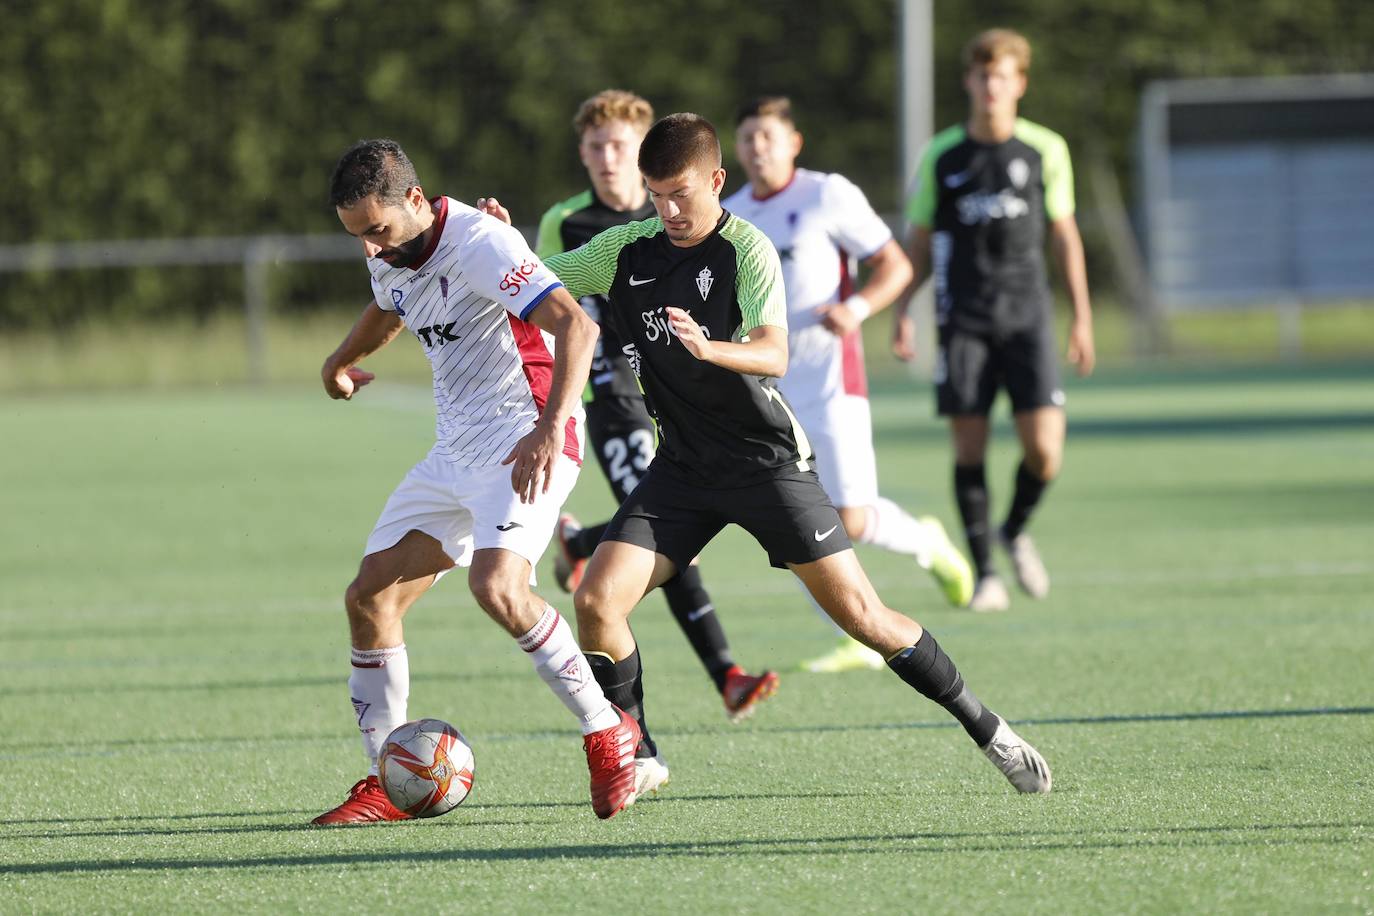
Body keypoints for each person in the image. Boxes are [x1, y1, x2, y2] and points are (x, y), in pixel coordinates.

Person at [488, 113, 1053, 801]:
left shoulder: (744, 249)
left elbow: (774, 353)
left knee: (867, 620)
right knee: (597, 600)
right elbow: (530, 284)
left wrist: (709, 348)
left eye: (682, 193)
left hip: (766, 465)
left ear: (717, 182)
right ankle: (636, 752)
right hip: (683, 471)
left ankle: (989, 729)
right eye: (655, 193)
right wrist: (499, 244)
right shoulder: (623, 251)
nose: (667, 209)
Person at [311, 139, 640, 825]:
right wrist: (340, 359)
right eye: (358, 236)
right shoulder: (392, 253)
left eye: (378, 230)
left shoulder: (482, 241)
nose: (372, 247)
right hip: (454, 450)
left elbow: (575, 326)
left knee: (496, 587)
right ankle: (385, 777)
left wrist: (551, 426)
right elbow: (389, 309)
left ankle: (607, 729)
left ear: (413, 200)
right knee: (369, 598)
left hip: (526, 436)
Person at [536, 89, 778, 732]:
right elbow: (539, 292)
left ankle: (581, 540)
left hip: (676, 394)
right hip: (612, 393)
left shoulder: (690, 229)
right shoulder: (571, 222)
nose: (607, 158)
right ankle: (723, 673)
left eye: (618, 145)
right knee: (672, 541)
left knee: (654, 530)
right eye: (595, 147)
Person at [725, 96, 975, 674]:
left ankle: (928, 542)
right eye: (747, 138)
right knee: (789, 518)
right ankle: (854, 634)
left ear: (794, 142)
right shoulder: (731, 214)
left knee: (853, 519)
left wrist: (858, 306)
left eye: (768, 135)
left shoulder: (825, 194)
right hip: (768, 389)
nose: (757, 147)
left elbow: (897, 264)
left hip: (834, 376)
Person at [893, 28, 1095, 612]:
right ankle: (985, 572)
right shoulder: (944, 155)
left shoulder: (1044, 150)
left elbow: (1065, 236)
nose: (991, 86)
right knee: (969, 447)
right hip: (964, 321)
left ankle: (1013, 528)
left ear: (1020, 84)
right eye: (983, 76)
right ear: (969, 82)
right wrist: (904, 310)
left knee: (1045, 450)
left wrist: (1081, 318)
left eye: (1002, 76)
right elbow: (920, 244)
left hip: (1028, 317)